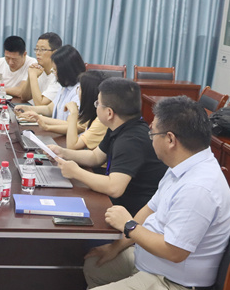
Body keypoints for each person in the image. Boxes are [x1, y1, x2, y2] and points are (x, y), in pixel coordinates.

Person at [66, 95, 230, 290]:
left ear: (170, 139)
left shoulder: (199, 188)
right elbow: (150, 209)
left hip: (178, 289)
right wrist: (116, 246)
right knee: (95, 264)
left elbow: (174, 251)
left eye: (152, 132)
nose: (150, 137)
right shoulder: (183, 166)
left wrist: (128, 227)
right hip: (157, 267)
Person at [46, 77, 167, 216]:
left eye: (98, 103)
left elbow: (114, 187)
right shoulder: (119, 126)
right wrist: (63, 152)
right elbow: (95, 157)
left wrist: (76, 172)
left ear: (109, 113)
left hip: (131, 215)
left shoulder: (131, 140)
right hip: (117, 206)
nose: (96, 106)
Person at [14, 45, 86, 134]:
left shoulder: (79, 92)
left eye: (55, 70)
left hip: (68, 137)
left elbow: (72, 125)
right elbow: (49, 109)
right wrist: (28, 108)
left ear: (66, 71)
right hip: (57, 133)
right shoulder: (64, 87)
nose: (54, 73)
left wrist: (38, 118)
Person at [62, 71, 109, 150]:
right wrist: (46, 126)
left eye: (80, 89)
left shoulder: (101, 120)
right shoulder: (93, 113)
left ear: (88, 94)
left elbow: (72, 146)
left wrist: (73, 113)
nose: (78, 93)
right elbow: (79, 125)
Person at [21, 32, 63, 106]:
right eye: (36, 49)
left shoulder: (59, 75)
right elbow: (24, 97)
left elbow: (40, 104)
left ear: (55, 53)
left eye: (42, 49)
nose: (38, 53)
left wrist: (33, 76)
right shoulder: (38, 69)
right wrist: (30, 76)